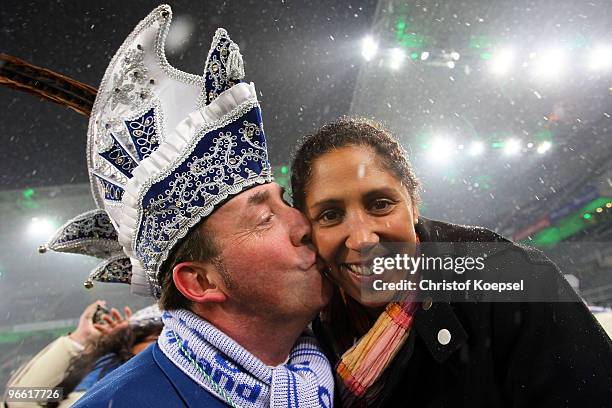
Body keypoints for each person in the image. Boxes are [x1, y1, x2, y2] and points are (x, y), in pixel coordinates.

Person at [35, 5, 335, 408]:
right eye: (264, 218)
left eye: (286, 202)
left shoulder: (342, 367)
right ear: (200, 282)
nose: (303, 224)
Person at [290, 117, 612, 407]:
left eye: (381, 204)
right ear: (307, 229)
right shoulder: (304, 331)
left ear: (413, 205)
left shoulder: (512, 283)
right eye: (330, 215)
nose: (362, 239)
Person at [4, 301, 162, 408]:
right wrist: (81, 339)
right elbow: (19, 399)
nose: (162, 347)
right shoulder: (85, 377)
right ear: (133, 342)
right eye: (156, 339)